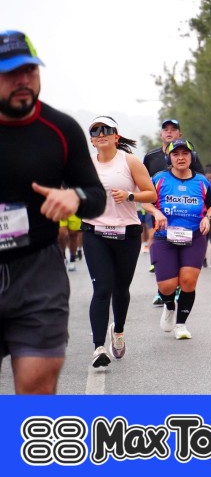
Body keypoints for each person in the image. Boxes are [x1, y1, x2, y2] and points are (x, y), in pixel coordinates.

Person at [0, 30, 106, 393]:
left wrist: (75, 197)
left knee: (36, 389)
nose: (23, 80)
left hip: (38, 273)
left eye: (29, 70)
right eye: (10, 73)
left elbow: (96, 196)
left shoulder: (60, 129)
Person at [83, 116, 156, 368]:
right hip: (95, 232)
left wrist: (129, 195)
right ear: (92, 140)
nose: (101, 134)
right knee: (102, 288)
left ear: (116, 136)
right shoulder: (86, 165)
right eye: (95, 131)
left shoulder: (130, 161)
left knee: (121, 289)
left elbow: (151, 194)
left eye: (106, 130)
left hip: (127, 233)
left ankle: (119, 330)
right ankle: (98, 348)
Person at [149, 139, 211, 340]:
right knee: (167, 286)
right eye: (176, 154)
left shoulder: (201, 182)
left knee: (188, 281)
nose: (181, 158)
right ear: (169, 158)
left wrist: (207, 218)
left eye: (185, 154)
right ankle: (169, 306)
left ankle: (181, 324)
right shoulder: (159, 179)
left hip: (194, 237)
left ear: (192, 157)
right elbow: (145, 202)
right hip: (165, 238)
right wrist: (156, 212)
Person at [143, 119, 204, 304]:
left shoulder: (189, 155)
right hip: (158, 209)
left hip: (184, 210)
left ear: (179, 134)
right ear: (161, 134)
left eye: (173, 129)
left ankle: (176, 288)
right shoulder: (150, 157)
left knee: (181, 247)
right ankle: (163, 288)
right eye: (166, 129)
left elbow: (200, 182)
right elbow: (142, 181)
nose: (169, 132)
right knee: (159, 241)